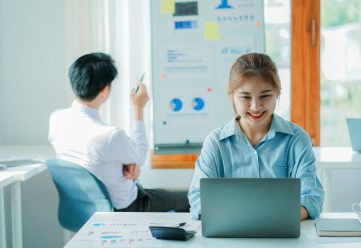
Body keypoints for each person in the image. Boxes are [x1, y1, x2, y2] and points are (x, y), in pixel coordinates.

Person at [188, 53, 325, 220]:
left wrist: (273, 220)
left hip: (282, 236)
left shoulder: (297, 139)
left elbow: (311, 197)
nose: (255, 106)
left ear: (278, 93)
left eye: (265, 96)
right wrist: (241, 219)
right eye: (245, 97)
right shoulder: (215, 142)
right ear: (231, 96)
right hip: (229, 237)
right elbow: (198, 198)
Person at [49, 52, 189, 212]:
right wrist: (138, 108)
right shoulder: (110, 135)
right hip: (126, 208)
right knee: (192, 197)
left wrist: (125, 163)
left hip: (84, 208)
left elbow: (92, 156)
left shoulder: (56, 119)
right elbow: (141, 156)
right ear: (104, 91)